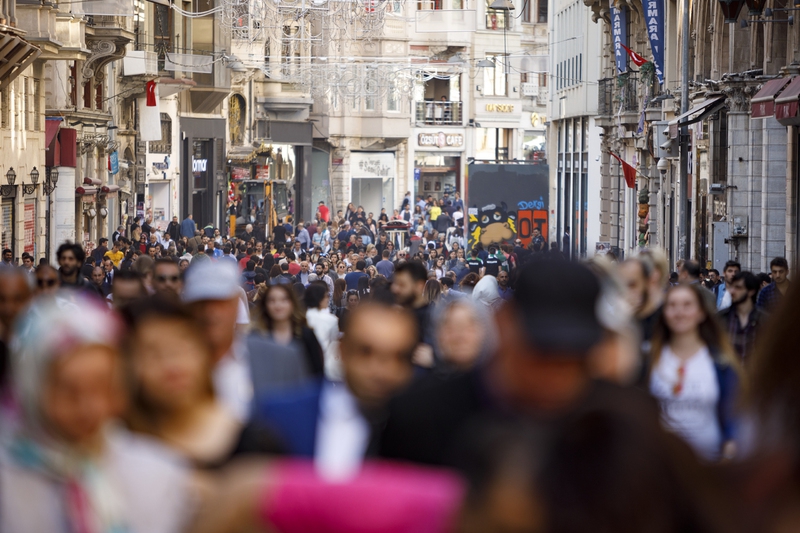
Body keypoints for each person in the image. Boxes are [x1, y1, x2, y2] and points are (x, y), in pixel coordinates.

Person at [0, 296, 192, 532]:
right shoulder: (8, 483)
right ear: (32, 387)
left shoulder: (156, 475)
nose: (90, 408)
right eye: (69, 391)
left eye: (103, 386)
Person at [255, 302, 418, 480]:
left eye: (400, 357)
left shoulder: (428, 426)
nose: (381, 370)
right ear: (342, 349)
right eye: (365, 352)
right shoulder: (279, 417)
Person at [121, 297, 283, 469]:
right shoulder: (118, 446)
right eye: (153, 353)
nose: (172, 365)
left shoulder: (255, 442)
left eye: (181, 347)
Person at [649, 283, 742, 461]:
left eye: (687, 305)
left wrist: (730, 450)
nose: (679, 312)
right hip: (663, 467)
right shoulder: (651, 361)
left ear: (701, 313)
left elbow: (733, 415)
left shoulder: (719, 363)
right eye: (672, 305)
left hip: (710, 466)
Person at [183, 260, 253, 422]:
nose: (211, 312)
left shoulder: (265, 359)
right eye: (202, 304)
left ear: (236, 304)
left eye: (220, 303)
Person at [254, 283, 325, 378]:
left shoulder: (306, 335)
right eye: (272, 300)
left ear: (292, 303)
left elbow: (317, 371)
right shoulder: (258, 335)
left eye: (284, 300)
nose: (278, 305)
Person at [392, 260, 435, 367]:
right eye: (395, 283)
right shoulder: (396, 318)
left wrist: (436, 362)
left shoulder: (434, 321)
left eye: (402, 285)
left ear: (419, 286)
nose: (395, 289)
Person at [718, 271, 767, 365]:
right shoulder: (721, 318)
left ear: (751, 291)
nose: (732, 291)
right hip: (728, 374)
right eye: (732, 287)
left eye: (738, 288)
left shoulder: (764, 320)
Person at [304, 282, 341, 380]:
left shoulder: (302, 318)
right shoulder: (331, 320)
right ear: (320, 299)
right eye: (326, 296)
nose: (328, 299)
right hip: (325, 362)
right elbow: (333, 342)